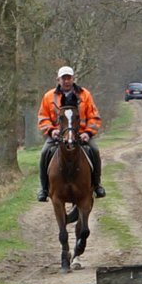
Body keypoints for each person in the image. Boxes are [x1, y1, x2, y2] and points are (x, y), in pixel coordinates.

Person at [37, 65, 104, 202]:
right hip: (58, 134)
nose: (66, 81)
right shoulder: (48, 96)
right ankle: (44, 188)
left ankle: (97, 185)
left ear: (73, 79)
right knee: (44, 153)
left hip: (81, 134)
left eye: (69, 78)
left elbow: (94, 117)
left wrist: (88, 133)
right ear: (58, 80)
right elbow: (43, 117)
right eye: (64, 78)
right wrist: (51, 131)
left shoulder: (85, 95)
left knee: (94, 150)